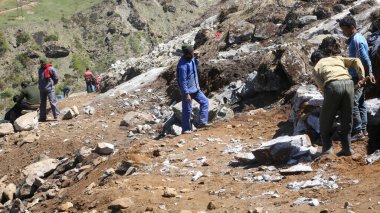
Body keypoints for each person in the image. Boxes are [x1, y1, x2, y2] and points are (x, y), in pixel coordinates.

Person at [310, 50, 366, 156]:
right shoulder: (337, 58)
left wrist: (333, 105)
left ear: (315, 60)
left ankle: (327, 149)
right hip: (349, 84)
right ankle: (347, 148)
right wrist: (361, 76)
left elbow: (323, 89)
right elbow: (356, 60)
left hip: (332, 86)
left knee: (325, 120)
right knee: (347, 118)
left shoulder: (317, 67)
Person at [338, 16, 376, 140]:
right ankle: (363, 129)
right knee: (360, 102)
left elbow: (364, 59)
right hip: (360, 76)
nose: (343, 32)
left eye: (344, 29)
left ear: (352, 28)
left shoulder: (356, 41)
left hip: (358, 77)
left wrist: (365, 75)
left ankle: (358, 130)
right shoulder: (357, 38)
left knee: (352, 102)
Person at [176, 45, 210, 134]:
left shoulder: (191, 58)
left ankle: (202, 122)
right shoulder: (182, 66)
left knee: (205, 102)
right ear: (187, 54)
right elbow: (182, 81)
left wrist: (197, 58)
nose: (193, 54)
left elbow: (194, 66)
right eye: (191, 53)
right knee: (187, 110)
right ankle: (186, 129)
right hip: (188, 91)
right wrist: (186, 93)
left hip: (196, 88)